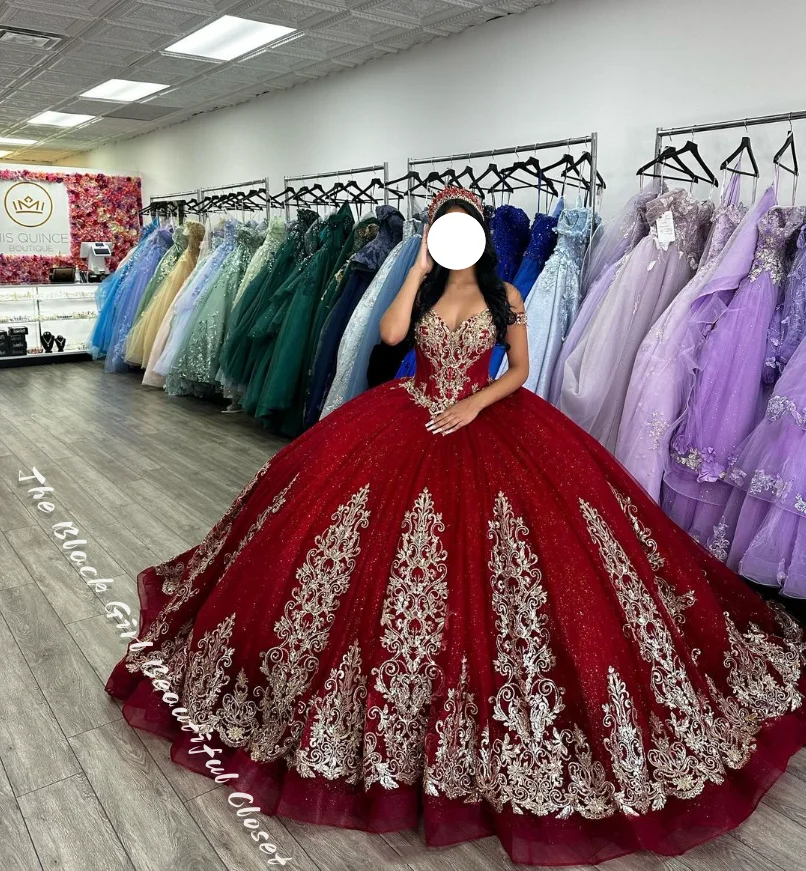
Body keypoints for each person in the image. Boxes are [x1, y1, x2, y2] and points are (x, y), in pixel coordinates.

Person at [107, 187, 806, 868]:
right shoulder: (428, 287)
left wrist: (476, 407)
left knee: (535, 565)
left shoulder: (507, 297)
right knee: (345, 551)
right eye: (444, 226)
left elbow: (522, 371)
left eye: (461, 225)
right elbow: (387, 337)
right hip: (407, 414)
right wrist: (414, 271)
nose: (453, 237)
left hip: (483, 417)